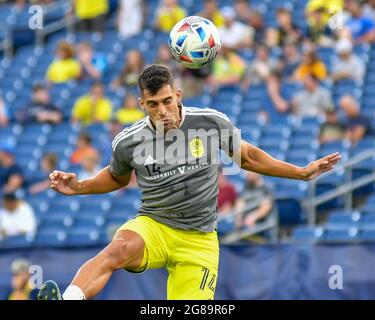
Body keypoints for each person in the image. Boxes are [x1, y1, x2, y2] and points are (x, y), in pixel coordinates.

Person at [37, 65, 340, 301]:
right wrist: (79, 187)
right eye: (153, 104)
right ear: (142, 103)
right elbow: (116, 177)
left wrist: (301, 172)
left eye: (167, 101)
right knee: (117, 250)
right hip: (155, 225)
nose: (163, 111)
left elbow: (248, 157)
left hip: (199, 239)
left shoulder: (210, 123)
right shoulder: (128, 142)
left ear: (178, 95)